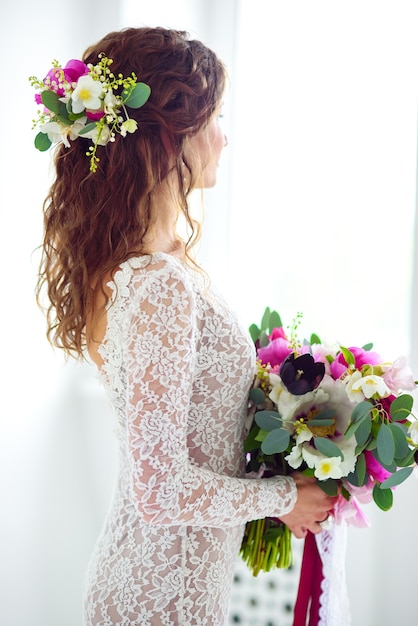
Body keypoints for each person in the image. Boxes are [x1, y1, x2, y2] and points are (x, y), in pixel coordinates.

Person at [34, 26, 336, 626]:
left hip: (169, 580)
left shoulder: (150, 261)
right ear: (172, 137)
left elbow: (191, 431)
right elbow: (160, 488)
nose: (226, 136)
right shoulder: (157, 283)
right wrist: (285, 500)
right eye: (218, 116)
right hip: (157, 596)